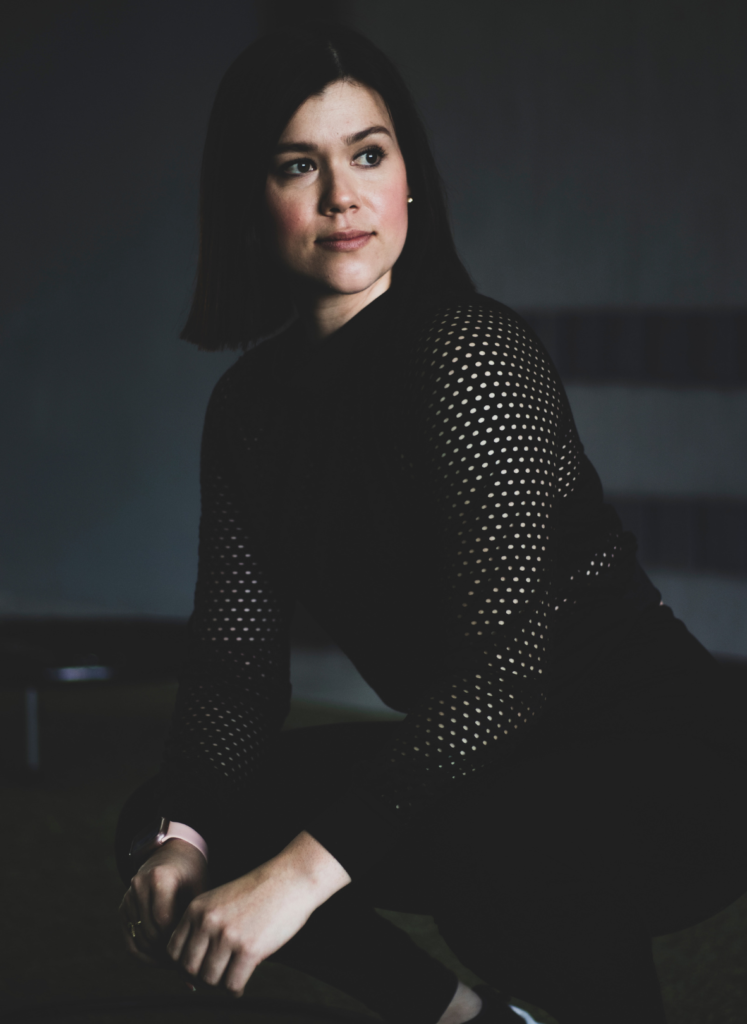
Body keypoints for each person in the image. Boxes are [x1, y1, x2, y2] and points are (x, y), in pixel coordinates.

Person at [114, 21, 747, 1024]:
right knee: (168, 817)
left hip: (660, 760)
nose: (343, 195)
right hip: (483, 762)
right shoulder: (248, 412)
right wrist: (184, 839)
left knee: (490, 848)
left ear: (410, 180)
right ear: (248, 199)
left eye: (369, 154)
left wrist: (297, 876)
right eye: (298, 165)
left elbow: (506, 673)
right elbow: (235, 667)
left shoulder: (471, 352)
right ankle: (464, 1020)